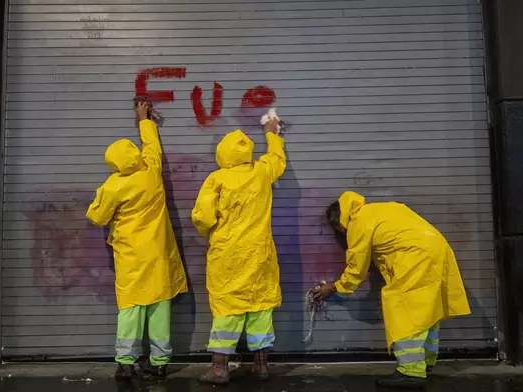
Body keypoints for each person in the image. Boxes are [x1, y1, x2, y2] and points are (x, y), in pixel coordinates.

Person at [313, 191, 471, 389]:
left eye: (339, 230)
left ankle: (411, 372)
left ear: (340, 221)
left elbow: (356, 269)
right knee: (426, 310)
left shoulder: (358, 224)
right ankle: (425, 361)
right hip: (437, 249)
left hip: (415, 258)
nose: (342, 233)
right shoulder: (383, 208)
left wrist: (334, 287)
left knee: (404, 312)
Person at [86, 101, 188, 380]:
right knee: (159, 307)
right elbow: (153, 147)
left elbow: (97, 217)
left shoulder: (114, 185)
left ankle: (126, 362)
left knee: (131, 308)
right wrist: (144, 120)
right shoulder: (151, 172)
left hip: (131, 257)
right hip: (158, 254)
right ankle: (160, 361)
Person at [191, 118, 286, 384]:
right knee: (260, 307)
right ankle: (261, 366)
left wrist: (212, 233)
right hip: (260, 254)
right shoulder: (261, 171)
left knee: (227, 309)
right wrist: (272, 133)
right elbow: (277, 159)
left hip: (228, 255)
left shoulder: (216, 179)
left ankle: (220, 370)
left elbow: (203, 217)